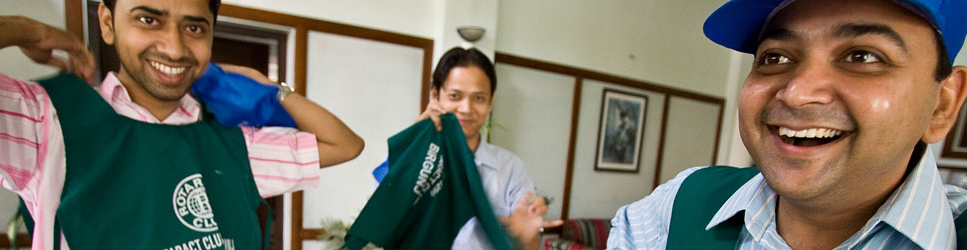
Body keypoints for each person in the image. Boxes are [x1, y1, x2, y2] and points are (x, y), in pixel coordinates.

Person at [0, 0, 363, 249]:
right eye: (148, 19)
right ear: (107, 22)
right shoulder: (42, 121)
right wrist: (26, 28)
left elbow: (344, 145)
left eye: (194, 28)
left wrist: (271, 89)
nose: (174, 47)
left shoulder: (232, 144)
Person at [608, 0, 967, 249]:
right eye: (775, 57)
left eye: (862, 56)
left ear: (943, 104)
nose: (796, 93)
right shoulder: (673, 209)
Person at [381, 47, 563, 250]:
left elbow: (529, 246)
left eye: (478, 98)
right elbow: (384, 225)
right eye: (455, 96)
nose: (466, 109)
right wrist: (415, 150)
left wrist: (526, 238)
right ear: (435, 95)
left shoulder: (511, 168)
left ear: (491, 101)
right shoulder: (407, 157)